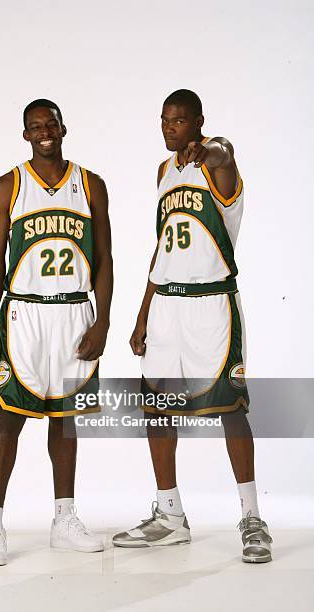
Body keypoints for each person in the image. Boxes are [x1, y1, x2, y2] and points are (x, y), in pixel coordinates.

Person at [112, 89, 273, 563]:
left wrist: (214, 146)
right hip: (166, 307)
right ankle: (170, 516)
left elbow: (226, 151)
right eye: (164, 121)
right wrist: (142, 313)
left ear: (199, 122)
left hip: (212, 305)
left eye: (179, 121)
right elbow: (162, 249)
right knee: (156, 408)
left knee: (229, 407)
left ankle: (251, 518)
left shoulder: (218, 165)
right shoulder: (164, 173)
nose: (169, 128)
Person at [0, 99, 113, 565]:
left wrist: (103, 320)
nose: (44, 132)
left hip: (75, 314)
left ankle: (64, 519)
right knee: (10, 417)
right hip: (24, 317)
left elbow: (104, 261)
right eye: (35, 127)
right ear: (25, 134)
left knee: (65, 419)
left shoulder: (90, 184)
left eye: (50, 124)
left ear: (62, 127)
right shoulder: (7, 187)